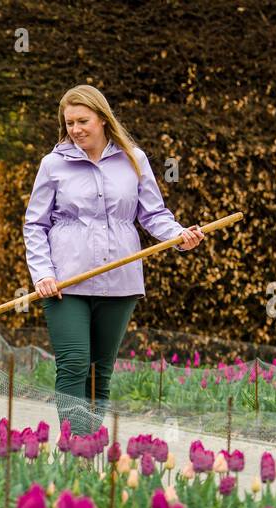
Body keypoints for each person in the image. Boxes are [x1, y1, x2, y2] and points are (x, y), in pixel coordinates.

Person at [24, 84, 204, 435]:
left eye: (83, 121)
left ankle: (90, 445)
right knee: (74, 362)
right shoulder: (53, 164)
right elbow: (35, 223)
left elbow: (154, 215)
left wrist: (180, 236)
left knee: (99, 370)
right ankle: (73, 444)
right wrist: (43, 272)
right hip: (65, 283)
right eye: (69, 122)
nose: (76, 129)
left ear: (103, 119)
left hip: (120, 282)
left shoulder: (133, 159)